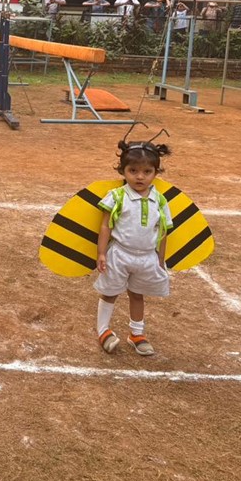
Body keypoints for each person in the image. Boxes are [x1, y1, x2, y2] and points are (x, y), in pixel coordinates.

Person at [94, 138, 173, 356]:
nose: (140, 177)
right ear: (123, 170)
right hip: (119, 255)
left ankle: (137, 334)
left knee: (137, 294)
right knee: (110, 293)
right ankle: (103, 330)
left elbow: (163, 231)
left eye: (147, 171)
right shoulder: (117, 196)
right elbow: (105, 226)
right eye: (133, 170)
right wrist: (101, 253)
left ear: (155, 173)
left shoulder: (160, 200)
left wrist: (160, 260)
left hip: (147, 258)